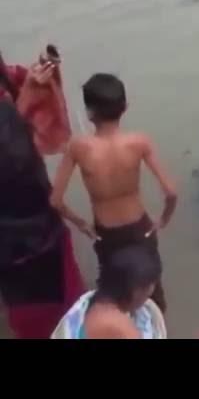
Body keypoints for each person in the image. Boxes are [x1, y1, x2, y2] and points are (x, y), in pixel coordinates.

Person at [50, 73, 177, 313]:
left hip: (107, 235)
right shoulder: (139, 142)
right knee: (152, 293)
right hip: (141, 229)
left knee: (114, 294)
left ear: (89, 112)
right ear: (125, 107)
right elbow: (171, 192)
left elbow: (56, 201)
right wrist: (163, 220)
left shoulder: (78, 147)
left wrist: (81, 224)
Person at [0, 100, 85, 339]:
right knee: (69, 308)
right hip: (45, 238)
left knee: (31, 319)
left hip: (13, 257)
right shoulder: (8, 115)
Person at [51, 246, 199, 339]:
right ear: (135, 289)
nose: (152, 292)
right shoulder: (117, 323)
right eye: (150, 286)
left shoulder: (97, 300)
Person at [0, 45, 71, 155]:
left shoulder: (8, 74)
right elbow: (7, 128)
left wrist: (46, 67)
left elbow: (26, 77)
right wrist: (30, 88)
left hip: (27, 156)